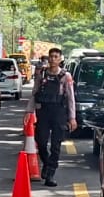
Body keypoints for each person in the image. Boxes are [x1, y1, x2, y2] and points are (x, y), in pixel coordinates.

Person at [27, 47, 78, 186]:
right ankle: (47, 163)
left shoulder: (65, 76)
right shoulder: (42, 74)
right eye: (51, 56)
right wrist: (29, 111)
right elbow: (35, 92)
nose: (53, 59)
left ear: (60, 59)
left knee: (56, 145)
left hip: (59, 113)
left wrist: (72, 118)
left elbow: (71, 99)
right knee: (41, 142)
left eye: (56, 56)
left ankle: (50, 174)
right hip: (43, 112)